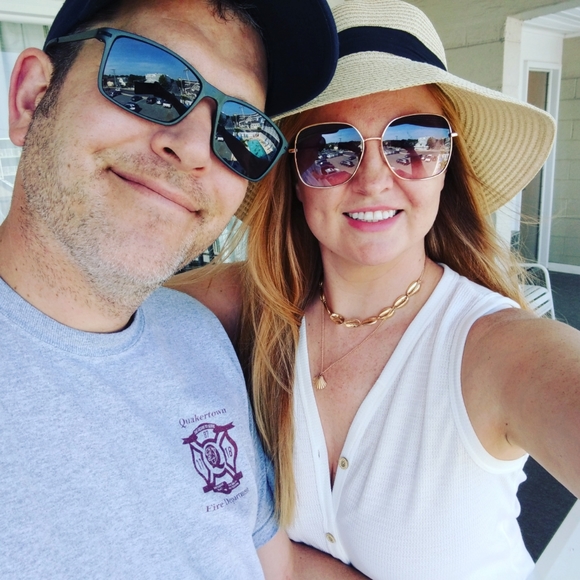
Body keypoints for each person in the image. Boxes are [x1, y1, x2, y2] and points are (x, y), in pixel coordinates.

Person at [170, 0, 580, 578]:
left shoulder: (500, 349)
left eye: (411, 142)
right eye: (330, 148)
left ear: (446, 164)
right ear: (294, 175)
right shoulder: (252, 304)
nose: (372, 180)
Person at [0, 0, 369, 577]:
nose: (195, 148)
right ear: (31, 97)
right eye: (151, 81)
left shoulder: (198, 337)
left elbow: (280, 568)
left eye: (240, 130)